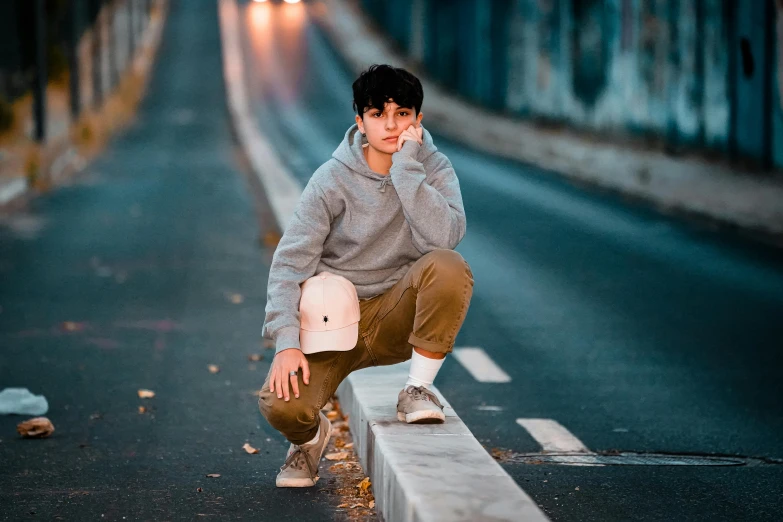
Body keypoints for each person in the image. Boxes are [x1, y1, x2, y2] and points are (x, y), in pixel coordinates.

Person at [258, 64, 474, 487]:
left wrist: (407, 169)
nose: (391, 126)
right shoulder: (331, 179)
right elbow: (289, 264)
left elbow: (444, 238)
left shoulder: (433, 167)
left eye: (402, 114)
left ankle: (418, 390)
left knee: (449, 267)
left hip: (397, 313)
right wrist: (286, 341)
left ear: (418, 120)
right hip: (335, 323)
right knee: (282, 408)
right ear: (360, 121)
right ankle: (311, 439)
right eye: (378, 114)